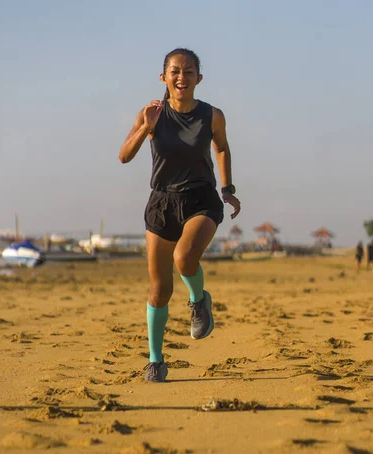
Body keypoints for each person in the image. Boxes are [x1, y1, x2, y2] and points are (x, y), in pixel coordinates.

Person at [119, 48, 241, 382]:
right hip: (161, 203)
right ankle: (156, 361)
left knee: (184, 257)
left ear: (198, 79)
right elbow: (123, 156)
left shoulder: (212, 115)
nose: (181, 77)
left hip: (200, 199)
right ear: (163, 78)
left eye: (188, 72)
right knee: (159, 289)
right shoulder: (151, 113)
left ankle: (199, 301)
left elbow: (222, 147)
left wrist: (227, 188)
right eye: (174, 71)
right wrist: (147, 128)